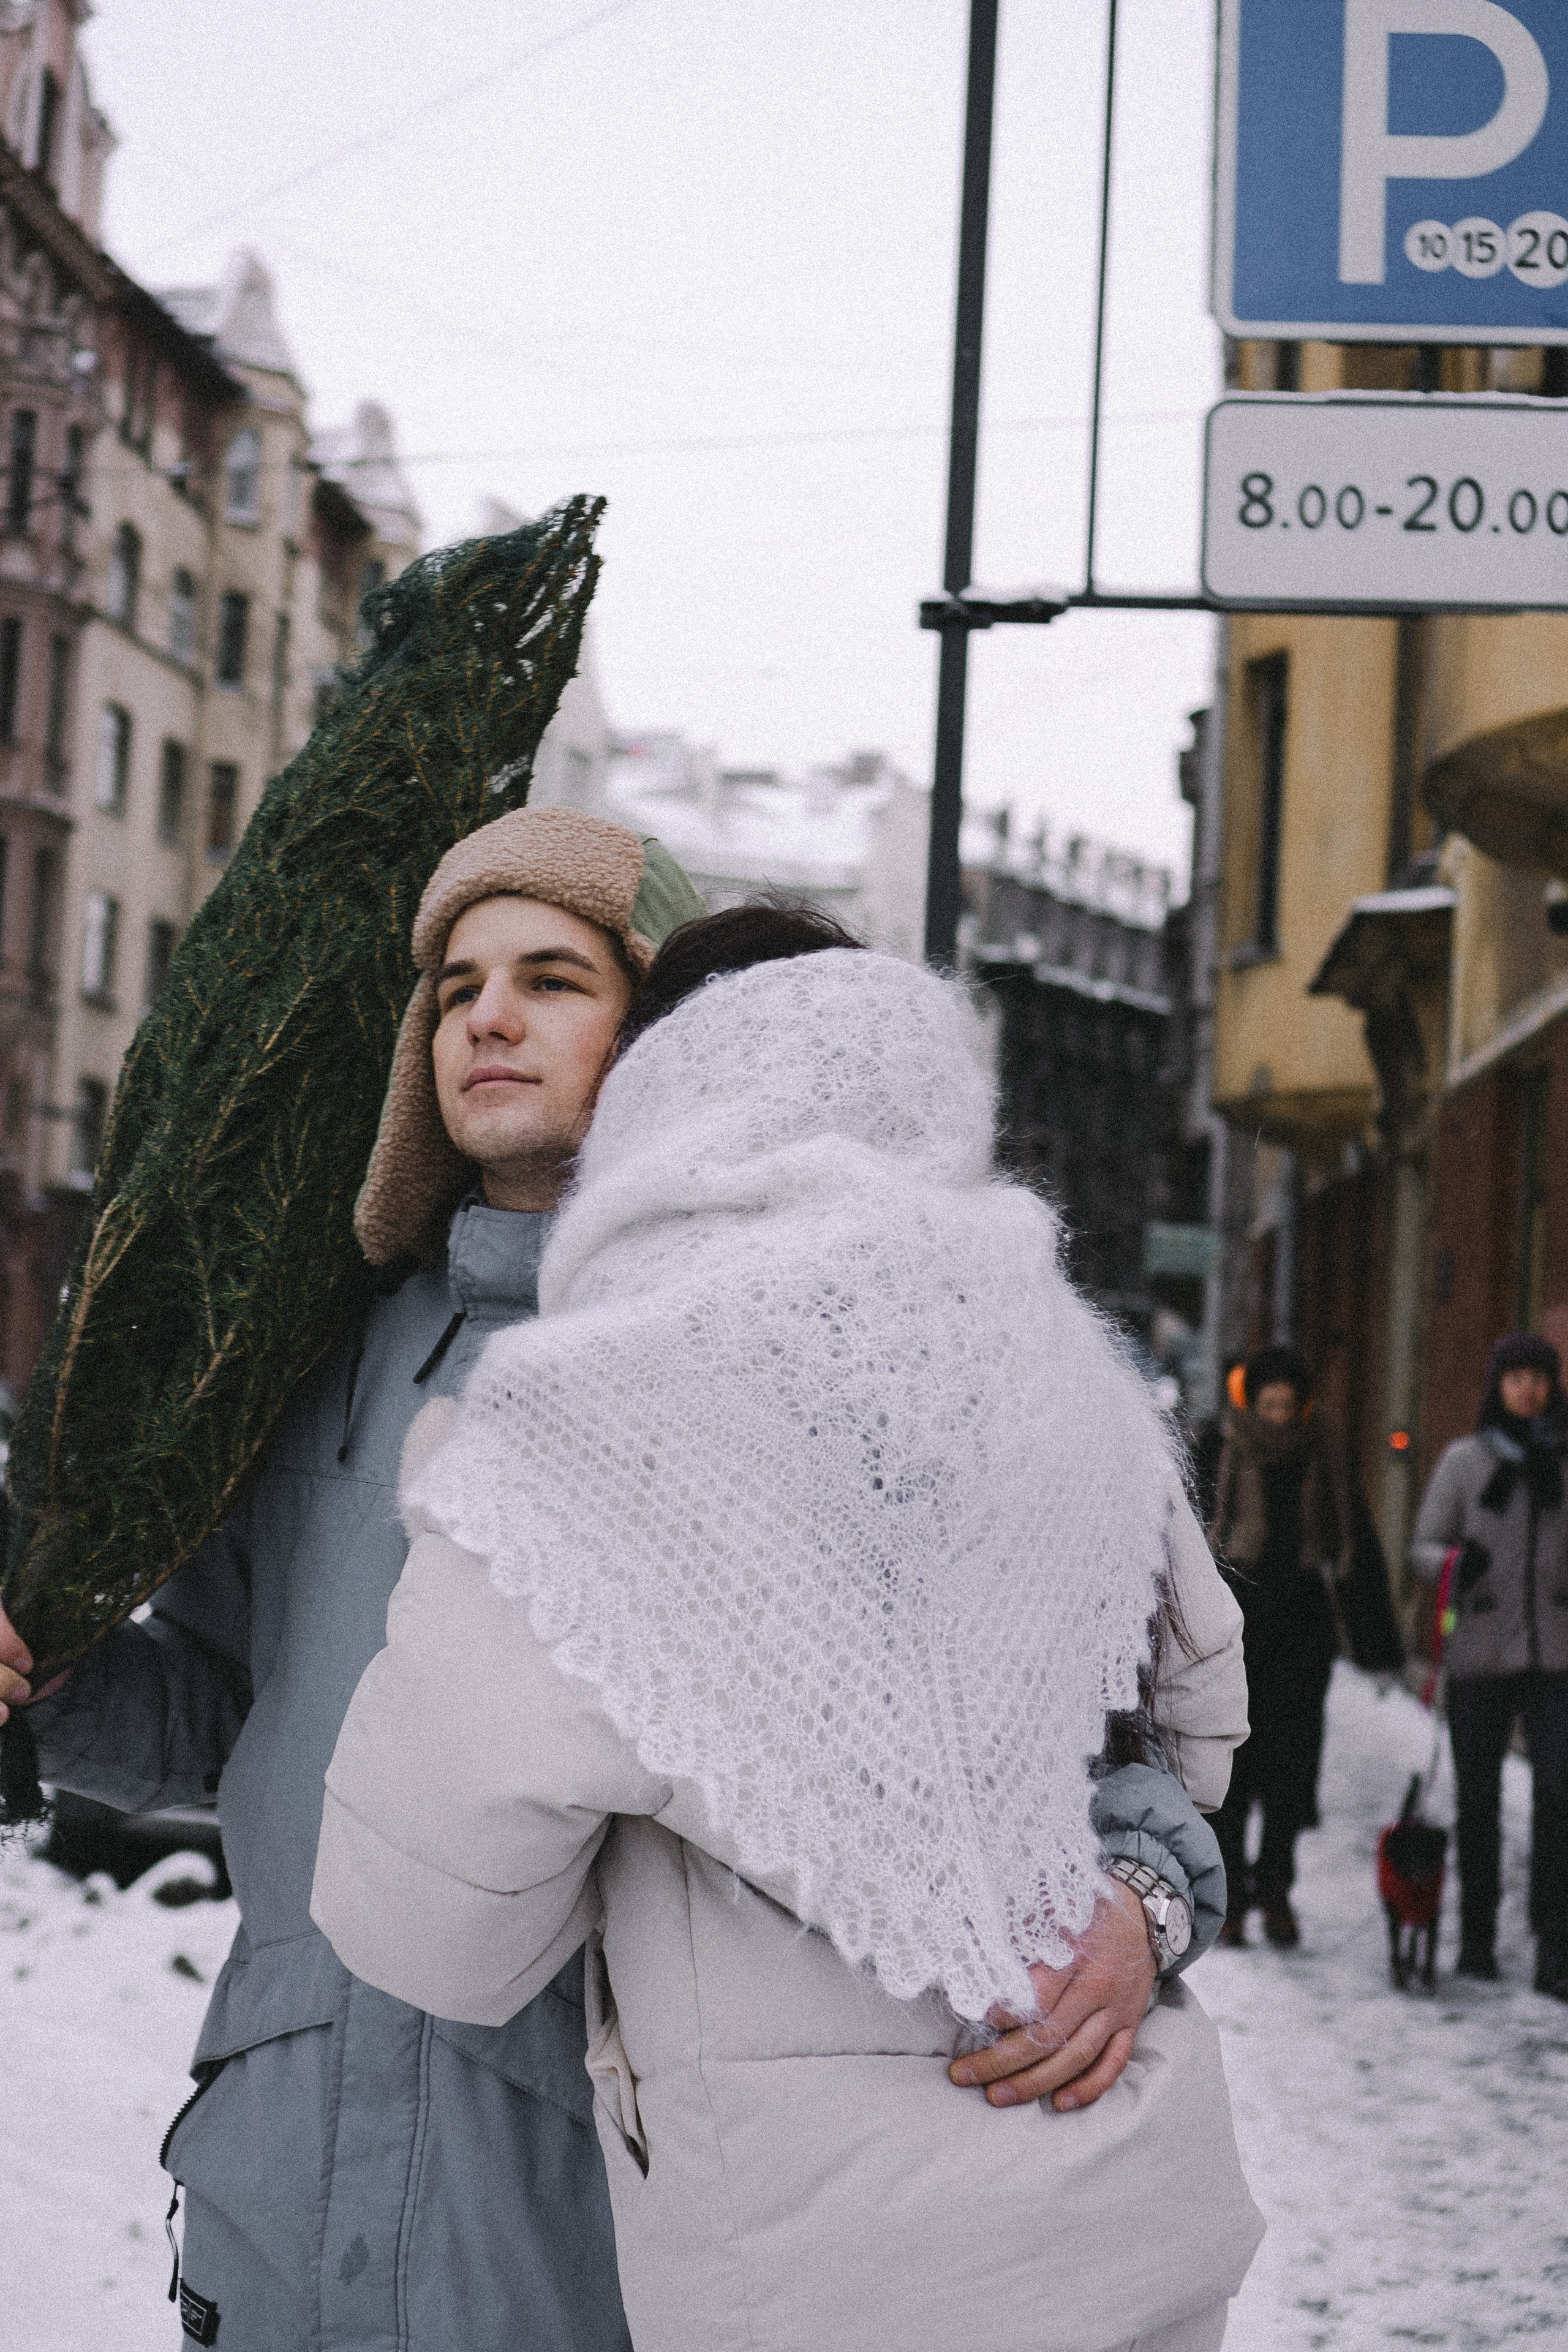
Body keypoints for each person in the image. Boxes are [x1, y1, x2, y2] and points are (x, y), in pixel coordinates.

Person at [0, 845, 1237, 2352]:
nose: (485, 1021)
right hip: (287, 2166)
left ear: (671, 1035)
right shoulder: (315, 1364)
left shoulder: (823, 1354)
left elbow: (1077, 1721)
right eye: (453, 989)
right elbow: (233, 1722)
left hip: (595, 2210)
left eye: (550, 980)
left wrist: (1135, 1898)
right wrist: (54, 1682)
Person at [311, 919, 1263, 2352]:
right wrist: (1137, 1903)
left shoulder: (578, 1428)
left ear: (661, 1095)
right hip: (1130, 2217)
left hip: (823, 2275)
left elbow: (428, 1931)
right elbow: (1189, 1741)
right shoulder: (1069, 1369)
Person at [1411, 1330, 1568, 1997]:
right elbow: (1422, 1544)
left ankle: (1553, 1947)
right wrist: (1451, 1565)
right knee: (1478, 1801)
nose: (1527, 1391)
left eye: (1538, 1379)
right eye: (1515, 1379)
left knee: (1558, 1799)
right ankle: (1476, 1937)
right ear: (1497, 1387)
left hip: (1556, 1653)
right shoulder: (1465, 1462)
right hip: (1479, 1653)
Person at [1208, 1344, 1351, 1949]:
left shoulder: (1324, 1444)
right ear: (1251, 1402)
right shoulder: (1232, 1443)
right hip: (1243, 1616)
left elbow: (1347, 1523)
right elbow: (1215, 1523)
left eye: (1285, 1405)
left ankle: (1277, 1891)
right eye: (1266, 1404)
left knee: (1289, 1769)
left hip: (1301, 1619)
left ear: (1301, 1405)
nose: (1275, 1415)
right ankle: (1233, 1899)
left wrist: (1340, 1571)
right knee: (1236, 1767)